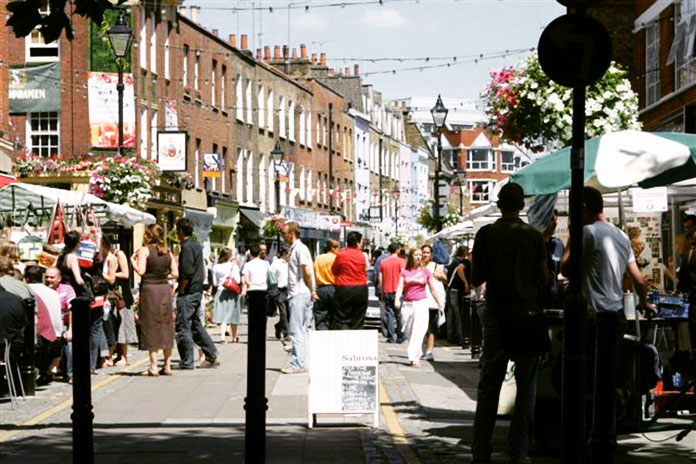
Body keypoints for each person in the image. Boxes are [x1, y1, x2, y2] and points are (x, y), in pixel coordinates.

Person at [561, 186, 652, 463]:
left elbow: (565, 269)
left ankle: (592, 432)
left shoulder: (587, 233)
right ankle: (607, 430)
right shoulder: (621, 235)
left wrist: (570, 238)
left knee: (585, 378)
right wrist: (644, 302)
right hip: (615, 316)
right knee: (606, 374)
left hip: (593, 317)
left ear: (585, 207)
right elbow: (639, 280)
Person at [471, 182, 549, 464]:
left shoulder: (486, 234)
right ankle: (518, 451)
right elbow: (544, 280)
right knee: (526, 387)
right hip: (527, 315)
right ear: (522, 206)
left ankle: (480, 450)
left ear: (499, 204)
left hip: (496, 316)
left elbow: (477, 277)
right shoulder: (533, 236)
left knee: (489, 386)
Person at [132, 224, 179, 376]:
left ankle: (153, 366)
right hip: (164, 289)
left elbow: (141, 271)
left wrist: (132, 261)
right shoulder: (168, 252)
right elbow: (175, 273)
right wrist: (163, 276)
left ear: (148, 236)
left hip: (150, 290)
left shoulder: (144, 251)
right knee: (166, 325)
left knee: (151, 325)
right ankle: (167, 365)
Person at [174, 217, 219, 369]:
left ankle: (186, 361)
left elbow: (187, 272)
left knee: (183, 326)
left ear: (180, 231)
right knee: (195, 325)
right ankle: (211, 353)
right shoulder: (196, 245)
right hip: (196, 290)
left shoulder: (186, 247)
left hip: (188, 292)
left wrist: (181, 290)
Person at [394, 247, 444, 367]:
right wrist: (397, 299)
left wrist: (440, 303)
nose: (419, 257)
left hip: (421, 303)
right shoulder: (405, 272)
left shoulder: (426, 272)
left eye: (420, 255)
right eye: (416, 255)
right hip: (407, 304)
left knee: (418, 331)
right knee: (408, 330)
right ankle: (416, 351)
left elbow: (432, 289)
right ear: (411, 257)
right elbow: (400, 287)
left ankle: (414, 357)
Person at [281, 221, 316, 374]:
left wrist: (312, 290)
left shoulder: (300, 249)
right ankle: (304, 362)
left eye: (284, 233)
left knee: (296, 331)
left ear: (292, 234)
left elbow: (307, 271)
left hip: (299, 293)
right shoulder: (297, 249)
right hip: (302, 293)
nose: (283, 236)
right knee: (303, 330)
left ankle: (297, 364)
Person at [25, 265, 63, 385]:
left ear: (26, 279)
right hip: (56, 336)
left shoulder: (27, 290)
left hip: (41, 336)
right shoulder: (53, 292)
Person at [330, 231, 368, 330]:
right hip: (360, 288)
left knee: (342, 317)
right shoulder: (362, 255)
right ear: (358, 242)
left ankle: (344, 340)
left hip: (344, 287)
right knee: (358, 318)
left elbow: (334, 270)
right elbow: (365, 270)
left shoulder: (341, 255)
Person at [107, 242, 137, 366]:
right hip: (112, 293)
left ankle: (123, 356)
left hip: (122, 293)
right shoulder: (105, 256)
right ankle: (118, 355)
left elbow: (125, 273)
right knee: (114, 324)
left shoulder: (119, 254)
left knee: (123, 323)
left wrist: (110, 274)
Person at [45, 266, 76, 383]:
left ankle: (71, 374)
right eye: (47, 277)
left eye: (52, 277)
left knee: (69, 343)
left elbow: (72, 309)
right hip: (48, 324)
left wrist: (71, 330)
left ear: (59, 278)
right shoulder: (43, 289)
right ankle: (46, 370)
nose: (49, 280)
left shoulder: (66, 289)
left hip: (64, 322)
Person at [422, 243, 448, 362]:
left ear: (431, 254)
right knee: (422, 328)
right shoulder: (418, 266)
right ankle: (423, 349)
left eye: (428, 252)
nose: (425, 254)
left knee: (432, 328)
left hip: (433, 302)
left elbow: (447, 281)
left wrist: (440, 276)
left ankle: (429, 351)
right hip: (421, 300)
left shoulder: (436, 266)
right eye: (424, 252)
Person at [212, 247, 242, 344]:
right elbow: (237, 280)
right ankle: (234, 337)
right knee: (233, 313)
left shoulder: (216, 267)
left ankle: (222, 337)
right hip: (232, 291)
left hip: (221, 291)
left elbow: (215, 283)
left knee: (222, 314)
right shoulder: (234, 266)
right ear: (229, 256)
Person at [379, 242, 406, 343]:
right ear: (398, 250)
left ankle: (391, 336)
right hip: (398, 290)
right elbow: (404, 276)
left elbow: (380, 278)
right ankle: (399, 335)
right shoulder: (402, 261)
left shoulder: (383, 262)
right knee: (398, 314)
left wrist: (382, 291)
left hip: (386, 290)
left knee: (389, 314)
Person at [446, 246, 471, 346]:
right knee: (460, 315)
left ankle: (452, 335)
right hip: (456, 291)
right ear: (465, 253)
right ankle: (461, 338)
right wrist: (466, 283)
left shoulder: (454, 261)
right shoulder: (461, 263)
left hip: (451, 290)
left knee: (453, 315)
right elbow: (460, 270)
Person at [313, 239, 339, 330]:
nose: (339, 250)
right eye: (337, 248)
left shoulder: (318, 258)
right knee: (334, 315)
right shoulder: (336, 258)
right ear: (332, 248)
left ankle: (321, 334)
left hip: (321, 288)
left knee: (320, 314)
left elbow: (314, 272)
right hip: (334, 288)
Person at [541, 210, 565, 309]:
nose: (555, 223)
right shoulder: (534, 243)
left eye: (556, 220)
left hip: (554, 299)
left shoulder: (558, 244)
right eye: (551, 220)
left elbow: (560, 271)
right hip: (537, 300)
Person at [270, 247, 290, 342]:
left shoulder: (292, 263)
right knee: (283, 313)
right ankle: (286, 334)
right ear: (284, 254)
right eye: (289, 253)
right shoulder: (276, 263)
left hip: (290, 291)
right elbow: (270, 276)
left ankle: (278, 326)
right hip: (280, 291)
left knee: (289, 314)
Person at [372, 247, 389, 337]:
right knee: (393, 311)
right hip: (394, 288)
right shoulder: (398, 259)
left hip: (382, 288)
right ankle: (393, 330)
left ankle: (385, 330)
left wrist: (376, 285)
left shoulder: (379, 259)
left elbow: (376, 274)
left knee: (383, 309)